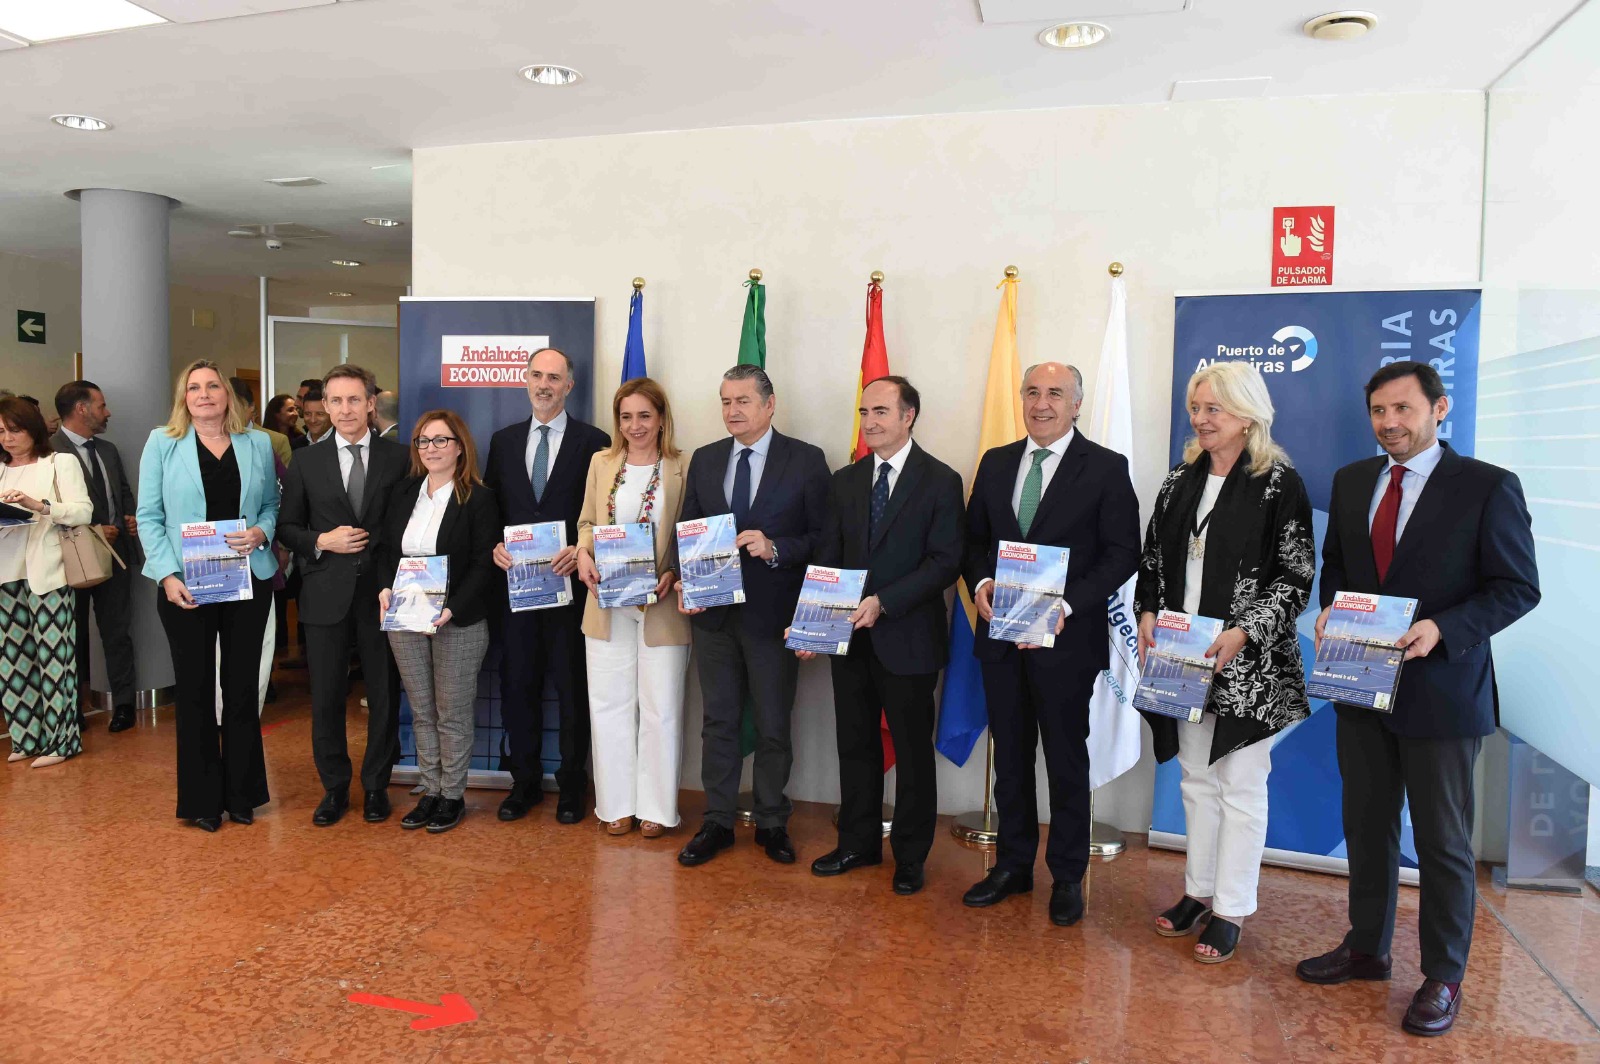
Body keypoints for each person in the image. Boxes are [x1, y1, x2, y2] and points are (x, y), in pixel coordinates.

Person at [1296, 361, 1540, 1037]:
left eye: (1403, 408)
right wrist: (1330, 608)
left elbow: (1517, 586)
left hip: (1444, 691)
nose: (1389, 423)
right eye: (1379, 411)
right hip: (1359, 681)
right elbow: (1340, 566)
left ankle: (1443, 975)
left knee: (1442, 841)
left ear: (1439, 408)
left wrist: (1445, 628)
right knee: (1366, 825)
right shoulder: (1352, 481)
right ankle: (1367, 948)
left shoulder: (1488, 486)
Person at [1133, 362, 1315, 963]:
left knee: (1240, 785)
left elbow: (1295, 576)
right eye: (1196, 407)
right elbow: (1152, 560)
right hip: (1182, 656)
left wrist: (1245, 631)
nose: (1200, 418)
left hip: (1248, 665)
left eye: (1213, 408)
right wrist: (1147, 612)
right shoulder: (1179, 480)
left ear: (1247, 414)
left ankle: (1231, 908)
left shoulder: (1279, 483)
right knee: (1195, 779)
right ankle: (1198, 892)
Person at [960, 362, 1140, 926]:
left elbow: (1122, 553)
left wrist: (1066, 605)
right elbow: (972, 541)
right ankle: (1012, 867)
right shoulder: (996, 462)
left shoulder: (1106, 467)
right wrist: (982, 583)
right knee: (1010, 760)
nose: (1042, 403)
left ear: (1076, 404)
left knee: (1065, 761)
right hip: (1001, 638)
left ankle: (1066, 876)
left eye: (1055, 394)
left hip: (1065, 642)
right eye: (1033, 392)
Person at [803, 376, 963, 896]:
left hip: (908, 639)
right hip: (848, 639)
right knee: (854, 745)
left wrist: (885, 602)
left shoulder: (941, 480)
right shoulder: (845, 480)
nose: (869, 422)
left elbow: (945, 561)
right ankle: (858, 843)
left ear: (908, 416)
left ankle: (911, 857)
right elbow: (828, 558)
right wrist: (812, 624)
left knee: (913, 753)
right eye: (863, 413)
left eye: (880, 412)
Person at [675, 363, 830, 868]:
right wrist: (685, 580)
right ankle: (717, 822)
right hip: (713, 618)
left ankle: (771, 822)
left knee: (772, 724)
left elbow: (824, 539)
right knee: (718, 722)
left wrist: (775, 547)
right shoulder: (705, 458)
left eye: (742, 401)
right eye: (725, 402)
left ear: (769, 404)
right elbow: (687, 530)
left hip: (774, 616)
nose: (732, 411)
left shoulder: (806, 460)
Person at [135, 362, 278, 828]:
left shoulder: (257, 443)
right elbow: (149, 516)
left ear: (227, 395)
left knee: (241, 687)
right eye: (193, 387)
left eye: (212, 385)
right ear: (184, 397)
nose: (204, 394)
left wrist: (261, 531)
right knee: (195, 690)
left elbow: (271, 504)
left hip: (245, 579)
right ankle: (201, 803)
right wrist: (166, 574)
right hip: (184, 584)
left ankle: (242, 795)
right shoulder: (162, 442)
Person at [277, 364, 409, 827]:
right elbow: (287, 527)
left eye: (354, 399)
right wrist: (321, 541)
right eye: (336, 401)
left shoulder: (400, 458)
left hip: (383, 594)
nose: (345, 409)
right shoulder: (306, 461)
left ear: (370, 403)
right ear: (325, 407)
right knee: (327, 697)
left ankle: (376, 786)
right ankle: (334, 788)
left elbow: (406, 528)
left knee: (384, 694)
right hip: (324, 592)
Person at [486, 347, 609, 824]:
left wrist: (583, 548)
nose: (544, 384)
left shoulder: (595, 442)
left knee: (573, 691)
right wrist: (495, 546)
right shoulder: (502, 441)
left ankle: (573, 787)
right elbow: (491, 510)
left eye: (554, 378)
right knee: (518, 689)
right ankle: (525, 784)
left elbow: (602, 513)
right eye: (537, 375)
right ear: (526, 380)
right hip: (516, 592)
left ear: (569, 385)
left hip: (571, 591)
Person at [574, 377, 687, 838]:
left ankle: (657, 808)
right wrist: (583, 553)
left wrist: (673, 571)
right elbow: (586, 521)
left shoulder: (682, 466)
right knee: (608, 704)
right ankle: (616, 805)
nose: (635, 425)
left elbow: (690, 531)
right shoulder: (601, 462)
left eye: (644, 415)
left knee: (662, 708)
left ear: (661, 418)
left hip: (662, 605)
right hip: (606, 603)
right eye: (626, 417)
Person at [376, 410, 498, 834]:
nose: (431, 449)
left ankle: (452, 795)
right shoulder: (403, 492)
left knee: (452, 712)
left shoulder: (478, 498)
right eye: (423, 441)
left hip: (457, 620)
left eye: (441, 440)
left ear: (460, 447)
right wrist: (384, 588)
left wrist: (452, 609)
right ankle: (429, 790)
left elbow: (484, 563)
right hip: (406, 615)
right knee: (422, 709)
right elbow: (386, 550)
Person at [0, 396, 92, 768]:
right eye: (1, 432)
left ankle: (63, 741)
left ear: (33, 429)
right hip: (6, 573)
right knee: (13, 661)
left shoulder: (59, 462)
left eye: (14, 430)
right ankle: (26, 737)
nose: (7, 438)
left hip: (49, 571)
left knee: (56, 659)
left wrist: (39, 506)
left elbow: (83, 511)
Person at [51, 380, 142, 733]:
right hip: (71, 556)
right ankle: (71, 709)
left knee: (117, 632)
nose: (108, 412)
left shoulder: (108, 450)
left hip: (114, 554)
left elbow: (123, 492)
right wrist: (91, 530)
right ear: (81, 409)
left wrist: (129, 517)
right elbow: (47, 508)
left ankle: (124, 705)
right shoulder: (49, 452)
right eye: (101, 406)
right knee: (71, 635)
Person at [233, 378, 293, 470]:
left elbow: (287, 477)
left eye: (237, 407)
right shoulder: (215, 440)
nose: (231, 413)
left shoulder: (276, 441)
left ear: (251, 406)